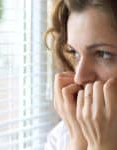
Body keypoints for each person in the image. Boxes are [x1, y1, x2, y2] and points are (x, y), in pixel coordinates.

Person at [44, 0, 117, 149]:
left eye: (103, 54)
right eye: (75, 53)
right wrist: (78, 139)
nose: (79, 77)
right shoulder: (63, 135)